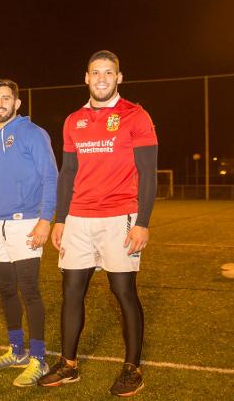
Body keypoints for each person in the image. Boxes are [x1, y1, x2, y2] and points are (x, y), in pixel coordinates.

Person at [38, 50, 158, 397]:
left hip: (121, 217)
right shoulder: (73, 120)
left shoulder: (136, 116)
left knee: (123, 292)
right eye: (96, 72)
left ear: (119, 78)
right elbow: (68, 173)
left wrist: (143, 222)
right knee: (71, 292)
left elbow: (148, 174)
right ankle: (69, 365)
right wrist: (61, 219)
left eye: (109, 72)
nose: (102, 78)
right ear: (86, 78)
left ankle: (132, 369)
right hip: (78, 219)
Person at [0, 79, 57, 387]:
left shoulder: (32, 134)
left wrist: (45, 219)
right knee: (6, 290)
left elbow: (50, 175)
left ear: (17, 103)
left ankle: (39, 358)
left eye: (6, 98)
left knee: (29, 291)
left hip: (26, 223)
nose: (0, 103)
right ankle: (17, 350)